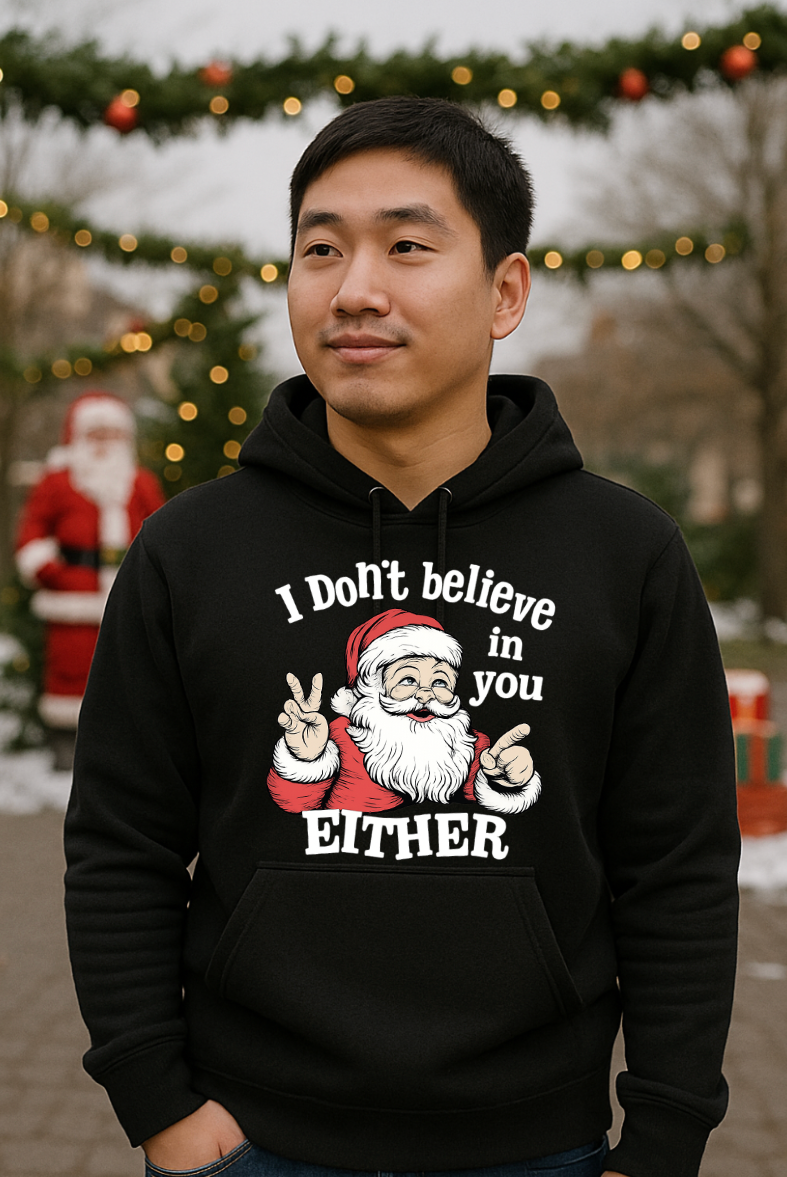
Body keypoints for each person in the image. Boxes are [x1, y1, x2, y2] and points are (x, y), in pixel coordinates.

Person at [64, 97, 739, 1177]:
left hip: (537, 1147)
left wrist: (659, 1140)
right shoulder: (188, 553)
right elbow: (120, 847)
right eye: (319, 248)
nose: (354, 289)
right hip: (247, 1144)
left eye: (408, 246)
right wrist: (162, 1109)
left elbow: (677, 871)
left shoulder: (623, 554)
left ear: (504, 290)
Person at [15, 391, 164, 769]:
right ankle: (67, 751)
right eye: (95, 434)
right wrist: (50, 572)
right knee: (71, 669)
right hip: (72, 595)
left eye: (112, 435)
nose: (104, 444)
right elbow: (31, 533)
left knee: (130, 670)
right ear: (79, 437)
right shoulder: (58, 482)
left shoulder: (140, 483)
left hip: (127, 591)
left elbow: (163, 534)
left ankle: (123, 752)